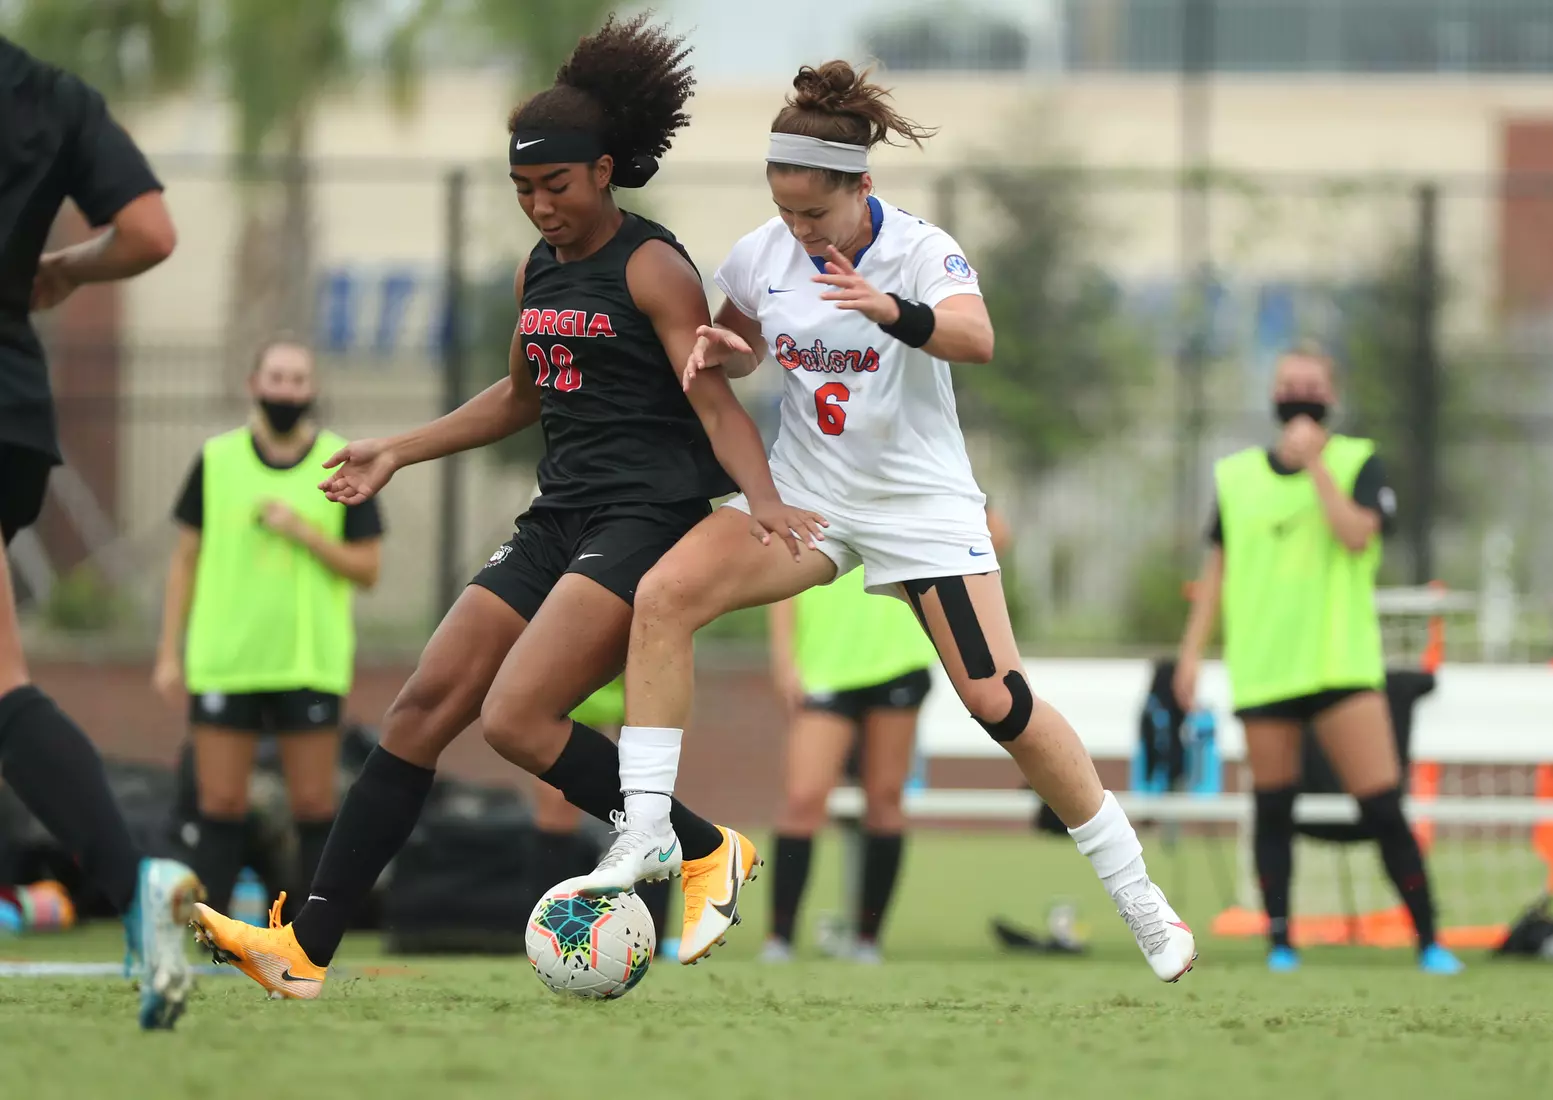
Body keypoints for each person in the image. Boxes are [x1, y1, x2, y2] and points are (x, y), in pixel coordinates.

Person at [190, 14, 819, 997]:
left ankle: (702, 849)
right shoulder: (542, 267)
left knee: (517, 719)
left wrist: (768, 497)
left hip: (642, 519)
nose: (539, 206)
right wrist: (399, 447)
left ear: (605, 170)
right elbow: (522, 394)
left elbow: (713, 399)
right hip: (556, 515)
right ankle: (304, 947)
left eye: (555, 186)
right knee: (420, 707)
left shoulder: (656, 267)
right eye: (522, 189)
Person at [569, 61, 1197, 984]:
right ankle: (652, 832)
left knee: (999, 703)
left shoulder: (917, 251)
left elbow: (976, 337)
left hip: (920, 506)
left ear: (863, 185)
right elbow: (742, 343)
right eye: (784, 210)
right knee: (662, 597)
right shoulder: (759, 254)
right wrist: (726, 350)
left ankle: (1140, 898)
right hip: (808, 501)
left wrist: (889, 310)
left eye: (813, 214)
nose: (798, 229)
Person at [0, 36, 202, 1029]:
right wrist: (66, 269)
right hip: (14, 410)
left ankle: (132, 881)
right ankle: (137, 888)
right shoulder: (52, 94)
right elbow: (153, 232)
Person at [1174, 346, 1462, 975]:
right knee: (1273, 808)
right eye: (1287, 384)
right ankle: (1281, 941)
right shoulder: (1236, 477)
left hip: (1340, 669)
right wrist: (1190, 654)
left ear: (1330, 396)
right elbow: (1217, 570)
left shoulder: (1358, 462)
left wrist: (1318, 471)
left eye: (1310, 385)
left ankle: (1430, 940)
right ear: (1272, 396)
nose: (1298, 394)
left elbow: (1358, 535)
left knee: (1382, 805)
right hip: (1265, 667)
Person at [152, 338, 383, 918]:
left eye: (298, 380)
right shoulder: (216, 459)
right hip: (226, 660)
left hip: (307, 662)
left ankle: (308, 941)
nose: (286, 390)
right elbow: (184, 561)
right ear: (254, 384)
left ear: (313, 390)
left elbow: (367, 569)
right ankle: (213, 938)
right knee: (221, 803)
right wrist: (167, 653)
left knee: (312, 804)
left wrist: (304, 532)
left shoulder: (341, 462)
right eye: (276, 378)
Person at [761, 507, 1009, 963]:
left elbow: (994, 532)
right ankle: (779, 940)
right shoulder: (813, 469)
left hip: (899, 655)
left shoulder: (910, 472)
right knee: (803, 797)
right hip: (824, 661)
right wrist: (782, 658)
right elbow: (783, 562)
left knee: (885, 798)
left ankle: (867, 941)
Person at [535, 676, 675, 948]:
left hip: (647, 654)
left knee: (655, 790)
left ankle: (651, 936)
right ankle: (549, 929)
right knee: (555, 802)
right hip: (577, 654)